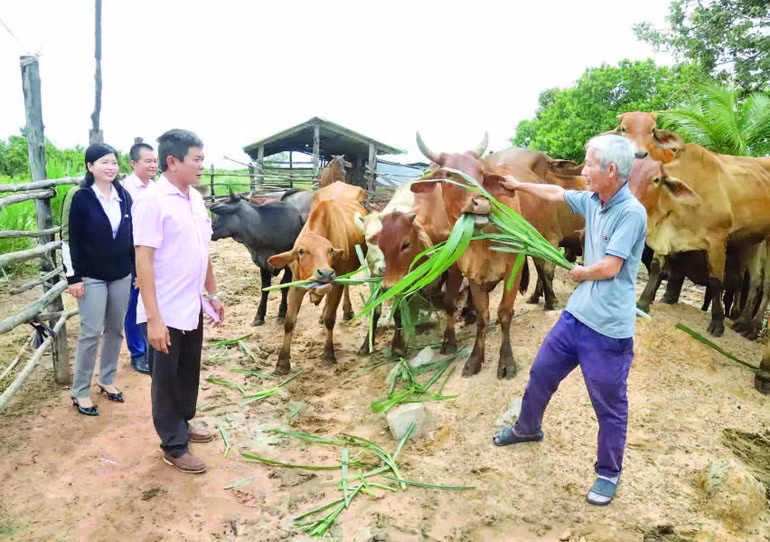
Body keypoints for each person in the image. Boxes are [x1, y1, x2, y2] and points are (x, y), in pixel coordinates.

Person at [492, 134, 647, 506]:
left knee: (609, 406)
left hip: (608, 331)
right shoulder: (594, 200)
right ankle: (527, 428)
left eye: (589, 164)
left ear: (611, 170)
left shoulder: (630, 212)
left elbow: (611, 267)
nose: (582, 171)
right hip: (576, 317)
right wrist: (516, 185)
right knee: (542, 374)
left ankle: (608, 473)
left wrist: (579, 272)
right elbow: (553, 193)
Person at [133, 129, 225, 474]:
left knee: (188, 369)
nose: (202, 165)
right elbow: (143, 260)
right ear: (173, 162)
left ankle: (183, 423)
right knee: (166, 378)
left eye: (202, 159)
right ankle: (172, 444)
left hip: (192, 303)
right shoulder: (152, 200)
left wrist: (212, 293)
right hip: (165, 309)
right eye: (196, 159)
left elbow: (204, 251)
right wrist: (154, 319)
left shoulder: (195, 199)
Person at [66, 143, 135, 416]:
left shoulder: (123, 195)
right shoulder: (81, 197)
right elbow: (69, 239)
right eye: (104, 162)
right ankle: (80, 391)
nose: (111, 167)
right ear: (90, 166)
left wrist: (136, 272)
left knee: (116, 329)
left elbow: (131, 236)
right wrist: (74, 277)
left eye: (114, 162)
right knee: (91, 332)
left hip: (121, 274)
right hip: (91, 276)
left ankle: (106, 378)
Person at [121, 142, 158, 374]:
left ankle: (150, 347)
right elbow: (124, 230)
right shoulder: (125, 190)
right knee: (134, 305)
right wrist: (134, 265)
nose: (153, 165)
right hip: (133, 255)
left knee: (151, 301)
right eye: (148, 161)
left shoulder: (157, 188)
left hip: (154, 255)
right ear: (133, 163)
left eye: (155, 161)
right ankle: (138, 353)